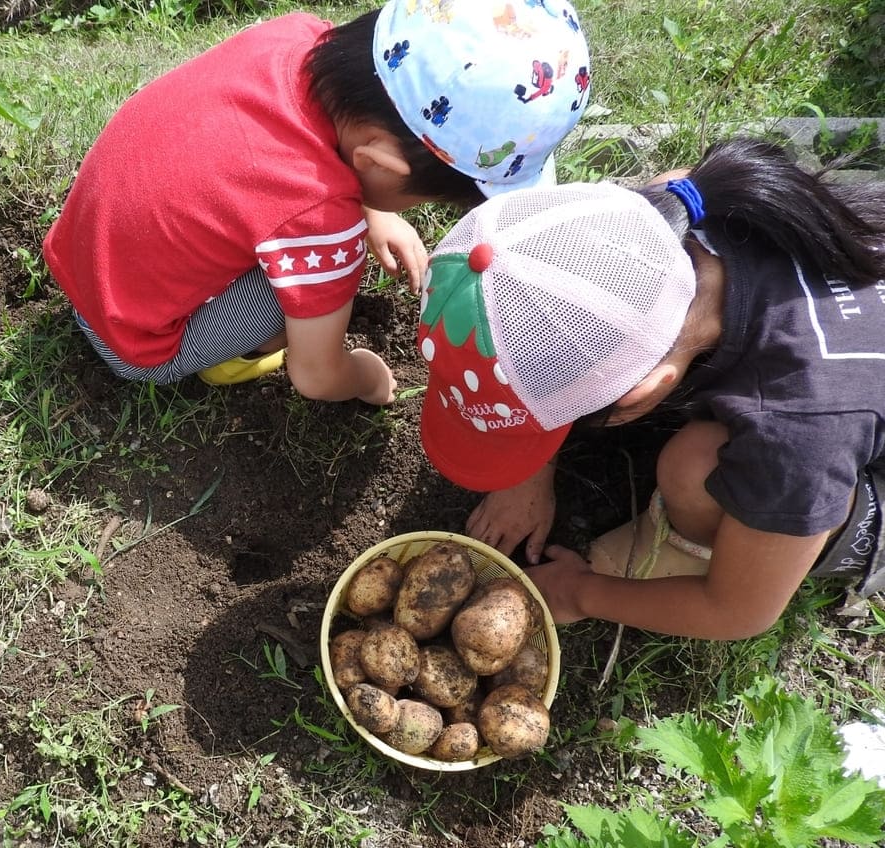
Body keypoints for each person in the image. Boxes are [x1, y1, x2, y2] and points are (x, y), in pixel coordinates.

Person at [414, 138, 885, 640]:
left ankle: (732, 546)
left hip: (854, 457)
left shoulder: (799, 435)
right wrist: (527, 473)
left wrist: (579, 591)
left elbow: (737, 613)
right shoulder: (674, 205)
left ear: (644, 392)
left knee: (692, 472)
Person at [43, 0, 590, 403]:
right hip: (133, 342)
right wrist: (365, 375)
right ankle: (227, 353)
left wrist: (377, 211)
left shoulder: (299, 38)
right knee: (310, 283)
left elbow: (313, 143)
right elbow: (316, 376)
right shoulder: (320, 219)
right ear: (378, 164)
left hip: (80, 257)